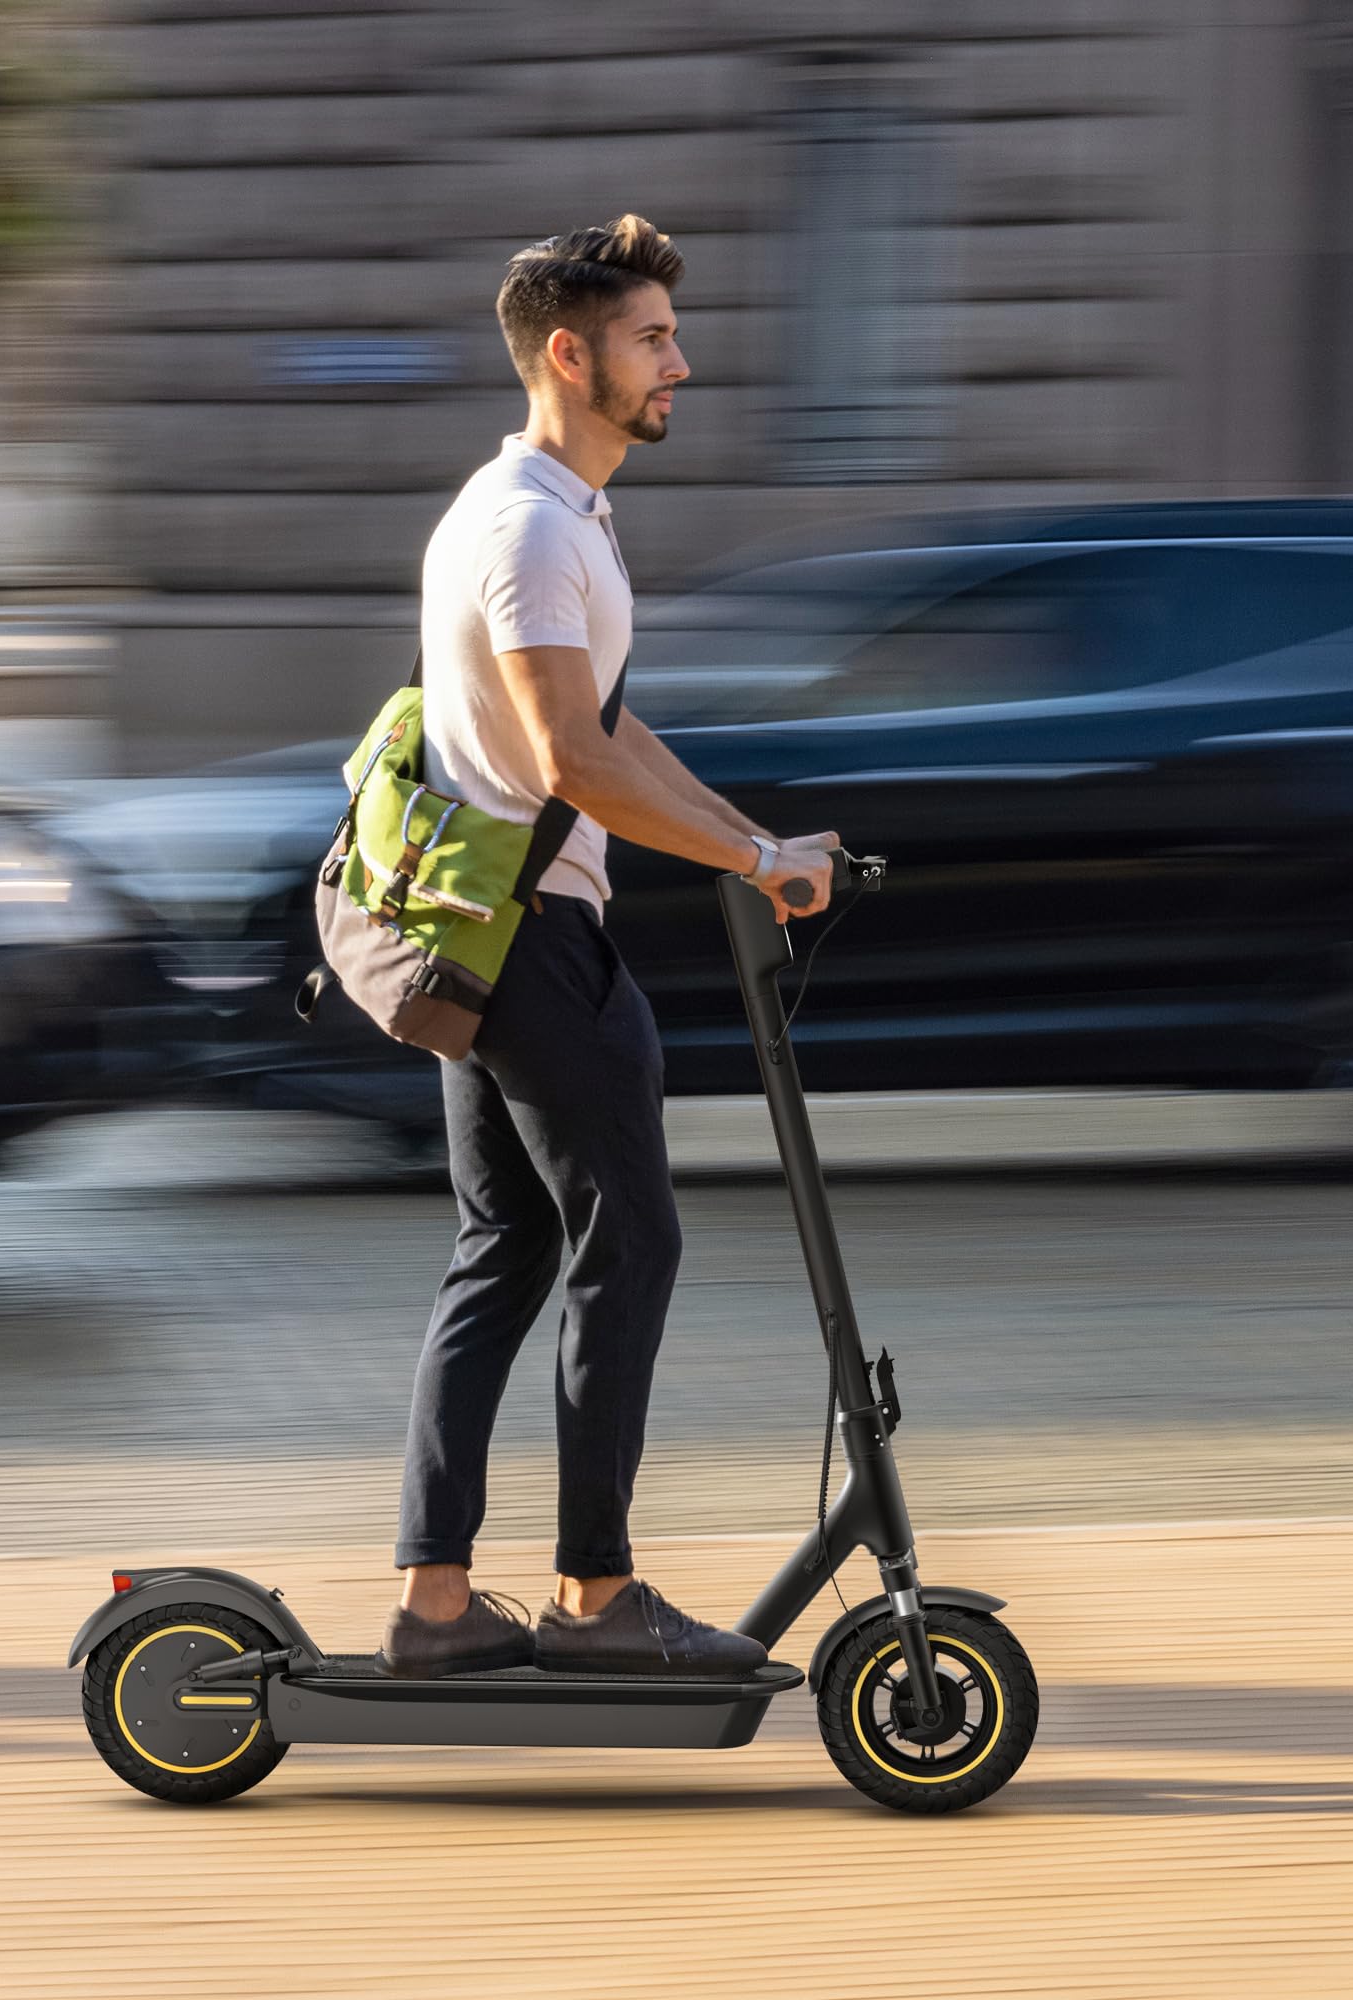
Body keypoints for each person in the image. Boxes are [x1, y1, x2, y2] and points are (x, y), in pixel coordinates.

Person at [380, 215, 838, 1678]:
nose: (680, 365)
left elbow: (612, 722)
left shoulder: (552, 512)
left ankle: (436, 1609)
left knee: (507, 1246)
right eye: (652, 340)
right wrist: (753, 857)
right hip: (531, 939)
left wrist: (749, 846)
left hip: (492, 928)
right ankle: (594, 1600)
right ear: (569, 354)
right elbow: (570, 759)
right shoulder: (524, 527)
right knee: (625, 1242)